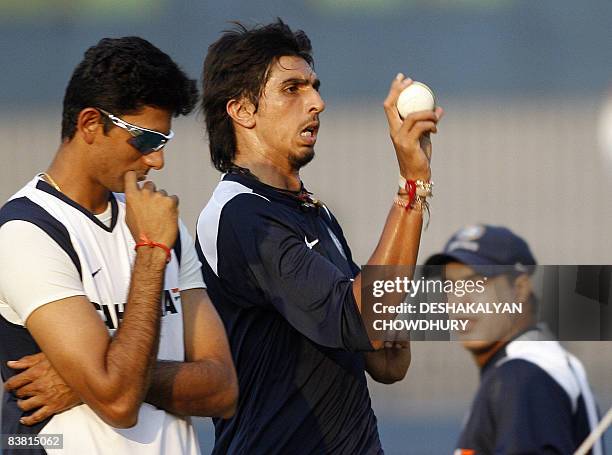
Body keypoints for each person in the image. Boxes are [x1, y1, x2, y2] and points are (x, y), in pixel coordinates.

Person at [196, 19, 443, 454]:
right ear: (242, 111)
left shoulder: (316, 213)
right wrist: (411, 182)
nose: (317, 102)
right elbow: (360, 319)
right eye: (293, 89)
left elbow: (386, 362)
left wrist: (395, 310)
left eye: (314, 87)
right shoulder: (239, 216)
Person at [0, 37, 237, 454]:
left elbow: (221, 389)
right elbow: (119, 402)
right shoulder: (26, 231)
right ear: (91, 123)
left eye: (163, 143)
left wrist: (86, 378)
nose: (157, 161)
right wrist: (150, 253)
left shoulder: (163, 224)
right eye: (146, 140)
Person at [425, 224, 605, 455]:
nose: (460, 301)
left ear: (519, 289)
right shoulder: (538, 364)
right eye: (450, 285)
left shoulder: (522, 377)